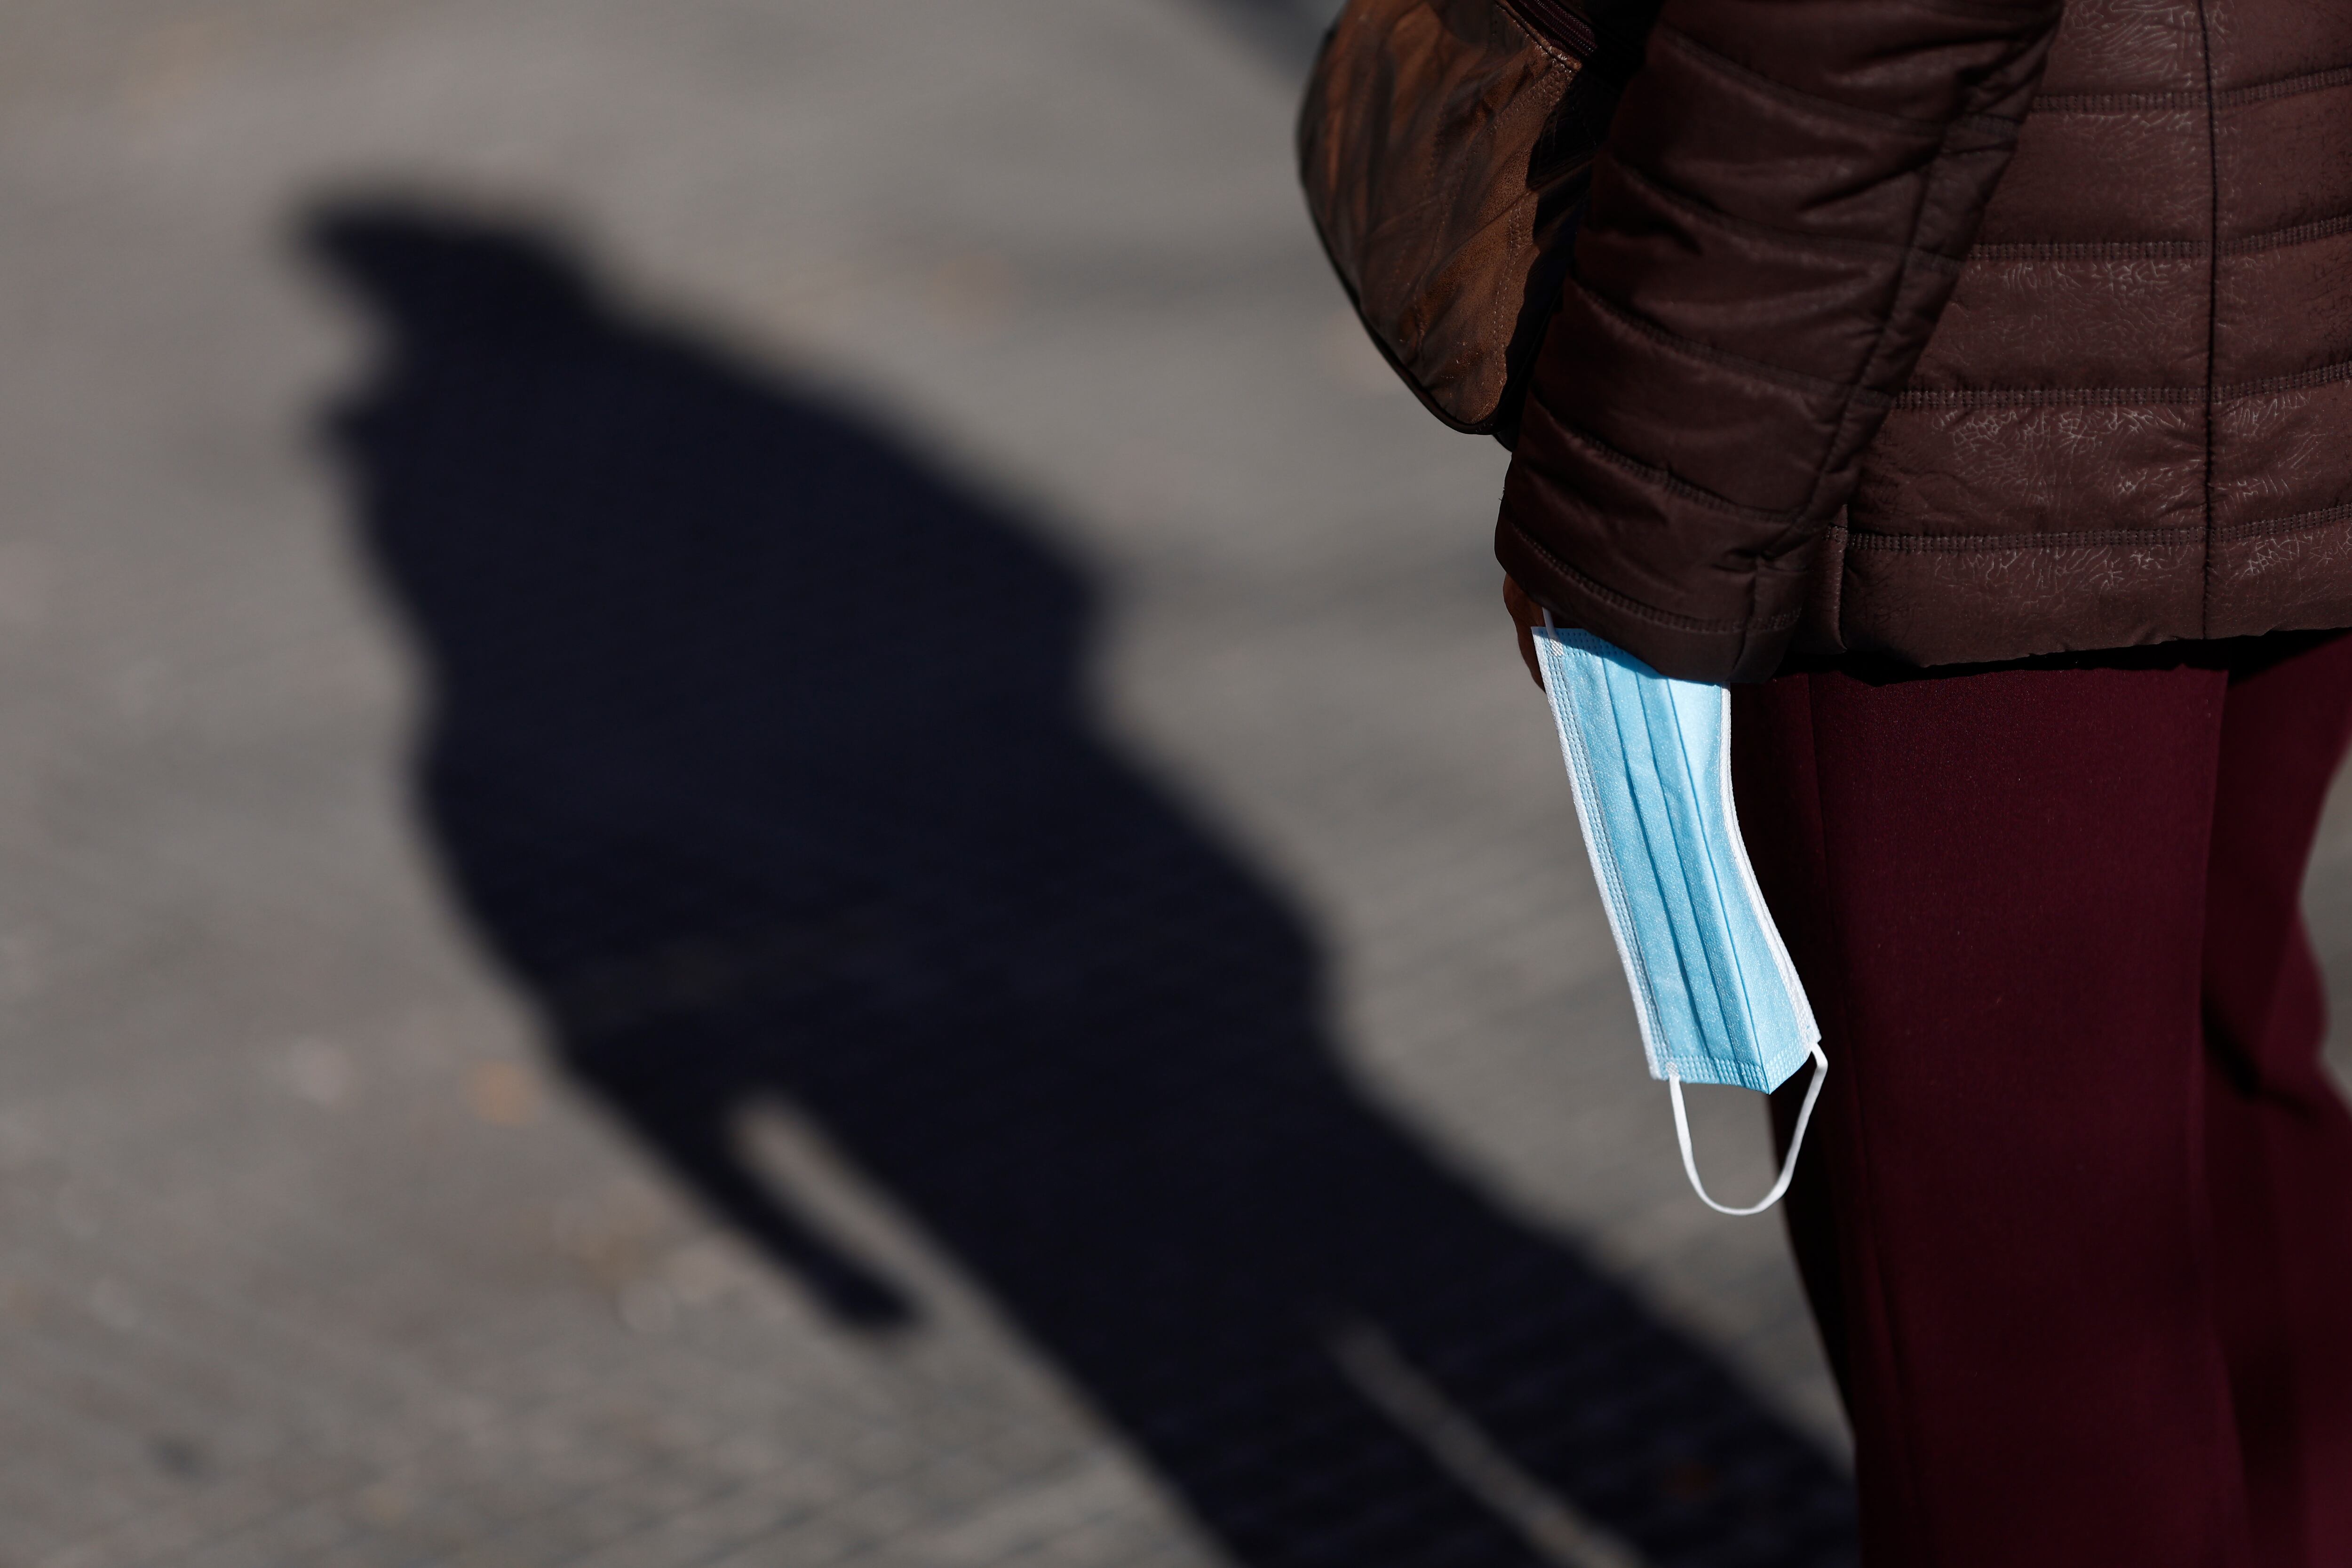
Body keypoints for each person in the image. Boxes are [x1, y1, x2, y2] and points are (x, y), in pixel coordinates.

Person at [1493, 0, 2352, 1561]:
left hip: (1967, 414)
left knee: (2020, 1315)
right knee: (2216, 1095)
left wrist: (1637, 500)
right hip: (2301, 271)